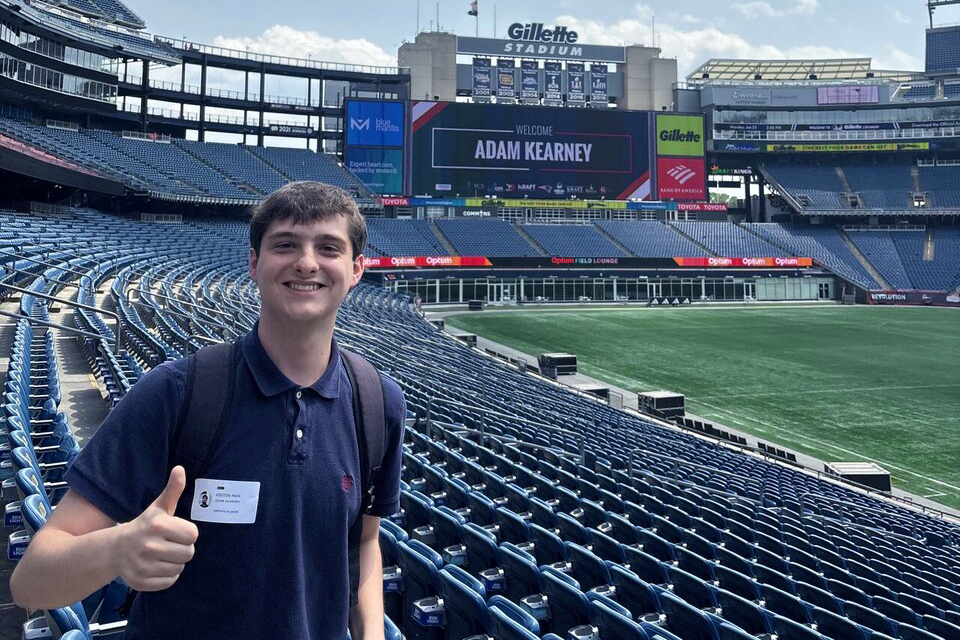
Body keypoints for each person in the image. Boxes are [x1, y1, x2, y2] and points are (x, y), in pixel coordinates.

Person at [11, 181, 406, 640]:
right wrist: (118, 550)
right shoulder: (177, 392)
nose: (306, 262)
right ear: (254, 264)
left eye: (328, 247)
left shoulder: (377, 403)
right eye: (285, 245)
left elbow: (364, 543)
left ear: (356, 269)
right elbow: (31, 581)